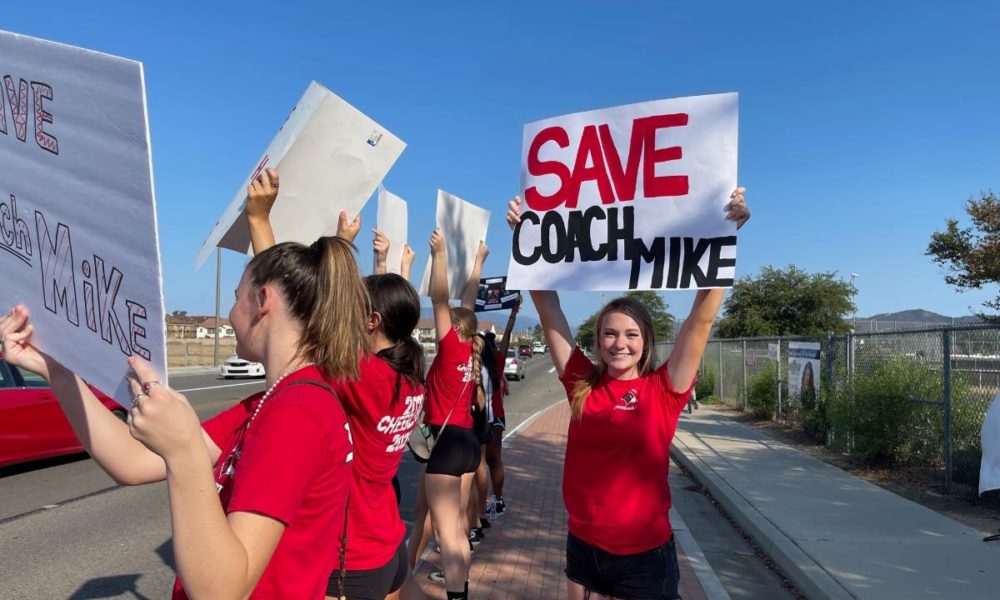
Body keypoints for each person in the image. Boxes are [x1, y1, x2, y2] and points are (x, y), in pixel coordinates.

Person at [0, 230, 370, 598]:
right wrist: (58, 370)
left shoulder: (296, 413)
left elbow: (222, 591)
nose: (230, 311)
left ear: (262, 300)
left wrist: (183, 449)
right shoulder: (271, 402)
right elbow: (133, 462)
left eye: (235, 297)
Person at [506, 187, 750, 600]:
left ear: (646, 341)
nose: (620, 343)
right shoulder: (581, 382)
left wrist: (728, 235)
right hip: (583, 545)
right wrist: (526, 238)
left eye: (631, 334)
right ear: (598, 340)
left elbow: (701, 320)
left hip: (643, 558)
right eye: (609, 334)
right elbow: (549, 309)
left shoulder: (665, 388)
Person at [245, 168, 426, 600]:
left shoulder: (362, 376)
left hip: (351, 556)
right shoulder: (408, 376)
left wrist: (259, 220)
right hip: (387, 545)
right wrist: (345, 245)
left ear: (371, 321)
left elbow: (288, 312)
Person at [408, 231, 486, 600]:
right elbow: (464, 302)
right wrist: (479, 262)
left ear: (453, 328)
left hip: (447, 441)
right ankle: (462, 589)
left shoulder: (453, 347)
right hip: (469, 445)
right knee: (458, 528)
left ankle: (456, 595)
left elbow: (440, 298)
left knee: (446, 535)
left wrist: (438, 254)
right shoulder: (470, 348)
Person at [484, 296, 520, 518]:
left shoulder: (476, 363)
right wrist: (513, 314)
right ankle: (498, 500)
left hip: (483, 419)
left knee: (480, 464)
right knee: (495, 460)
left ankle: (479, 508)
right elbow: (506, 337)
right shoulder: (498, 360)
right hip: (498, 417)